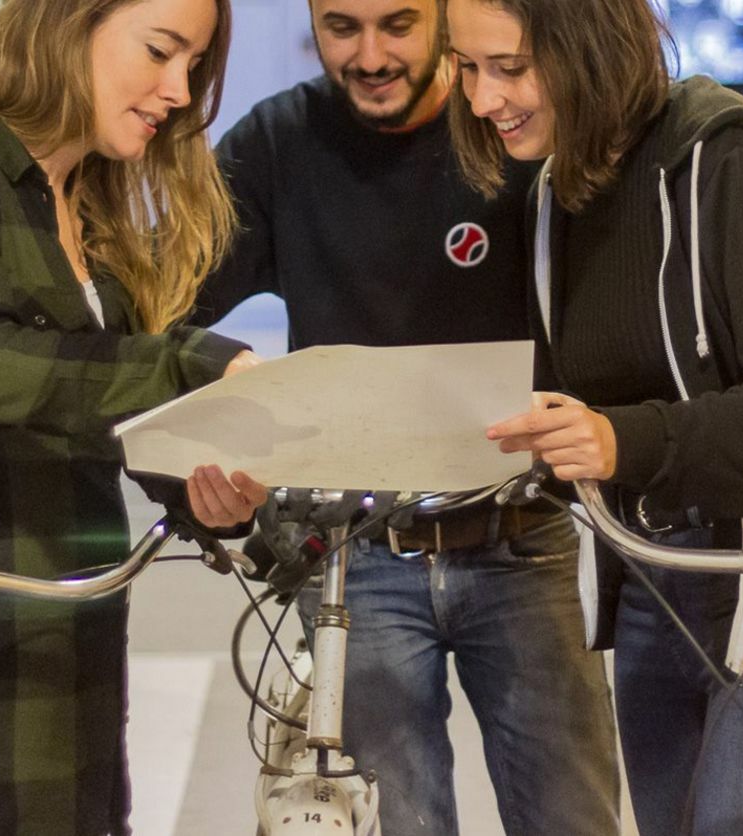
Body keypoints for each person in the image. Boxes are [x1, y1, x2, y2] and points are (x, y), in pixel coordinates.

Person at [450, 0, 743, 831]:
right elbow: (579, 413)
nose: (483, 98)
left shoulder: (732, 159)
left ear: (586, 47)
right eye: (465, 67)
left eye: (509, 67)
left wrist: (619, 438)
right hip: (658, 594)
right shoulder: (550, 196)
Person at [188, 0, 621, 832]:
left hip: (522, 542)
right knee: (398, 822)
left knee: (575, 816)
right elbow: (165, 308)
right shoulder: (277, 143)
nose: (371, 54)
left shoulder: (510, 129)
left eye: (398, 23)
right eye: (341, 26)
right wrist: (225, 424)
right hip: (359, 558)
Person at [0, 0, 266, 832]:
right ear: (69, 22)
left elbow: (100, 408)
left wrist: (203, 490)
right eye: (160, 51)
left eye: (194, 64)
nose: (178, 89)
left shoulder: (88, 211)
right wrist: (191, 363)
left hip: (73, 628)